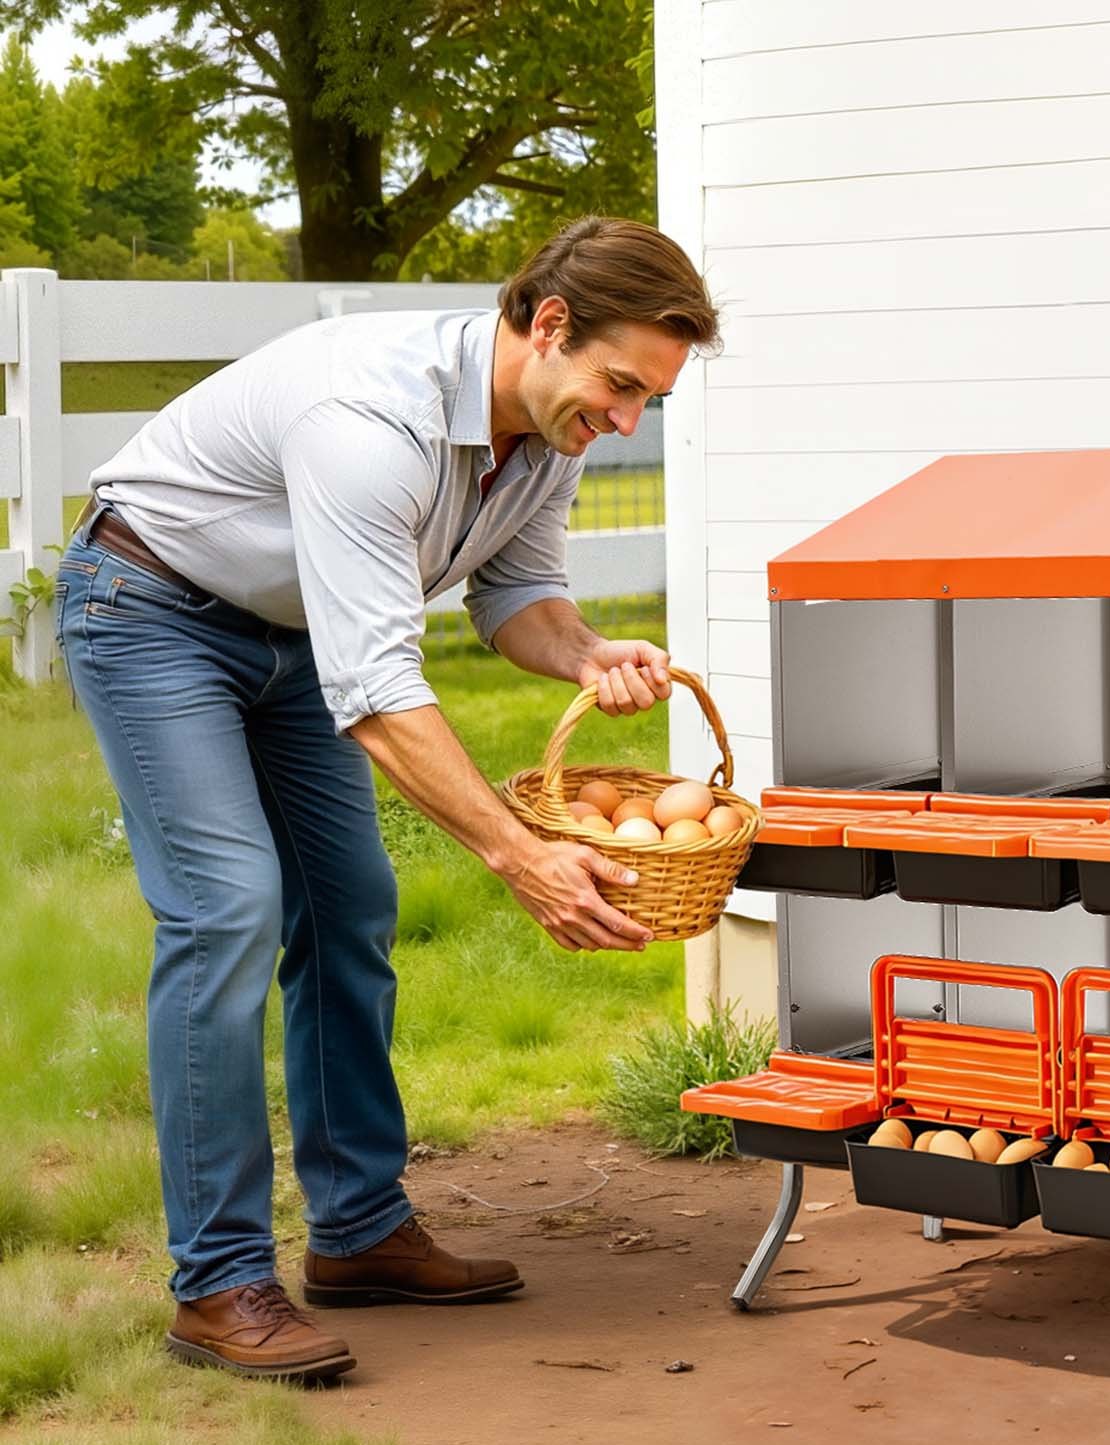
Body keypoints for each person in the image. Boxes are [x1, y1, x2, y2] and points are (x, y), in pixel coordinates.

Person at [54, 216, 720, 1380]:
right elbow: (374, 690)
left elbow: (517, 598)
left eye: (644, 402)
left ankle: (357, 1232)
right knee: (227, 910)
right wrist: (522, 855)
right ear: (547, 324)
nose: (623, 422)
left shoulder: (551, 433)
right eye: (619, 386)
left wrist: (586, 654)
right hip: (153, 608)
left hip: (291, 635)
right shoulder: (373, 420)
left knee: (350, 904)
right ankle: (216, 1285)